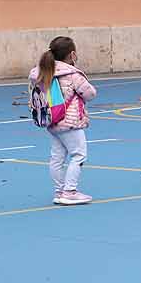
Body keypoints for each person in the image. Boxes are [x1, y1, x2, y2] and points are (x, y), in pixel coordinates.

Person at [30, 36, 97, 206]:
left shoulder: (43, 71)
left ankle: (60, 191)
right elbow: (90, 94)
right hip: (71, 121)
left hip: (52, 121)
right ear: (72, 54)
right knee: (78, 154)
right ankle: (70, 191)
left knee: (57, 157)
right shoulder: (73, 74)